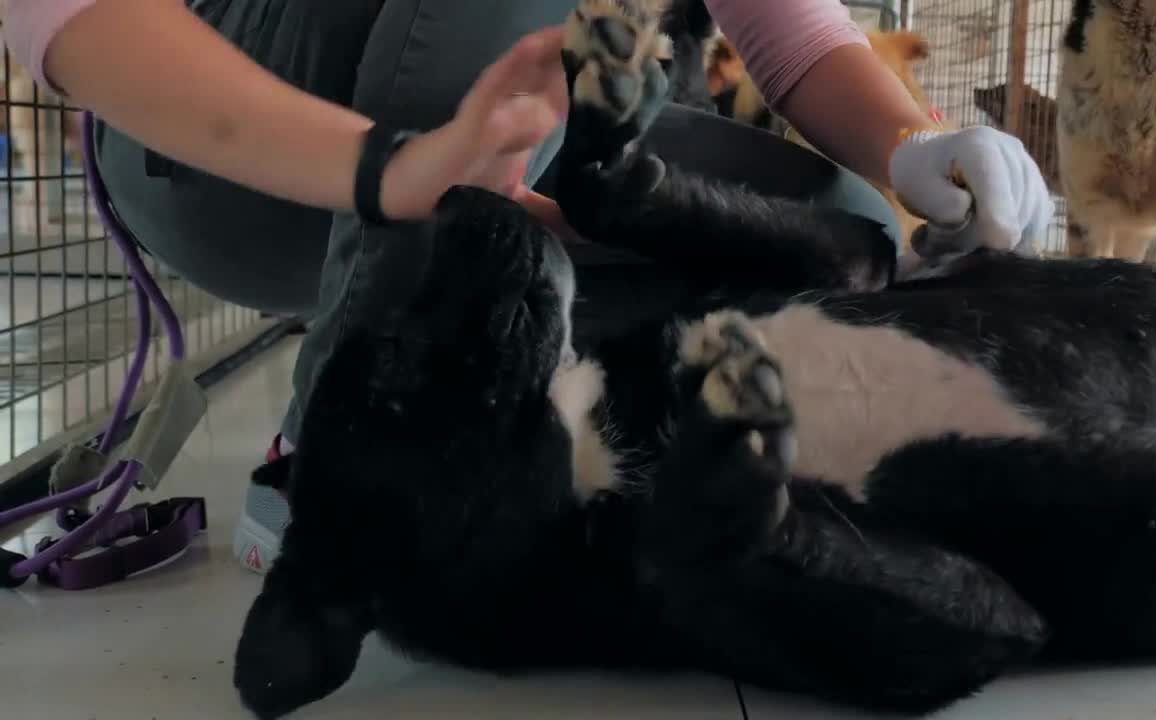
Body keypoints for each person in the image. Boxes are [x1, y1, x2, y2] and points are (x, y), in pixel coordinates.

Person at [5, 0, 1053, 576]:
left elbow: (789, 28)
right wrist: (391, 175)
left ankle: (560, 411)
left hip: (485, 112)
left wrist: (914, 145)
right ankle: (340, 445)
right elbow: (66, 14)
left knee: (847, 238)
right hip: (212, 145)